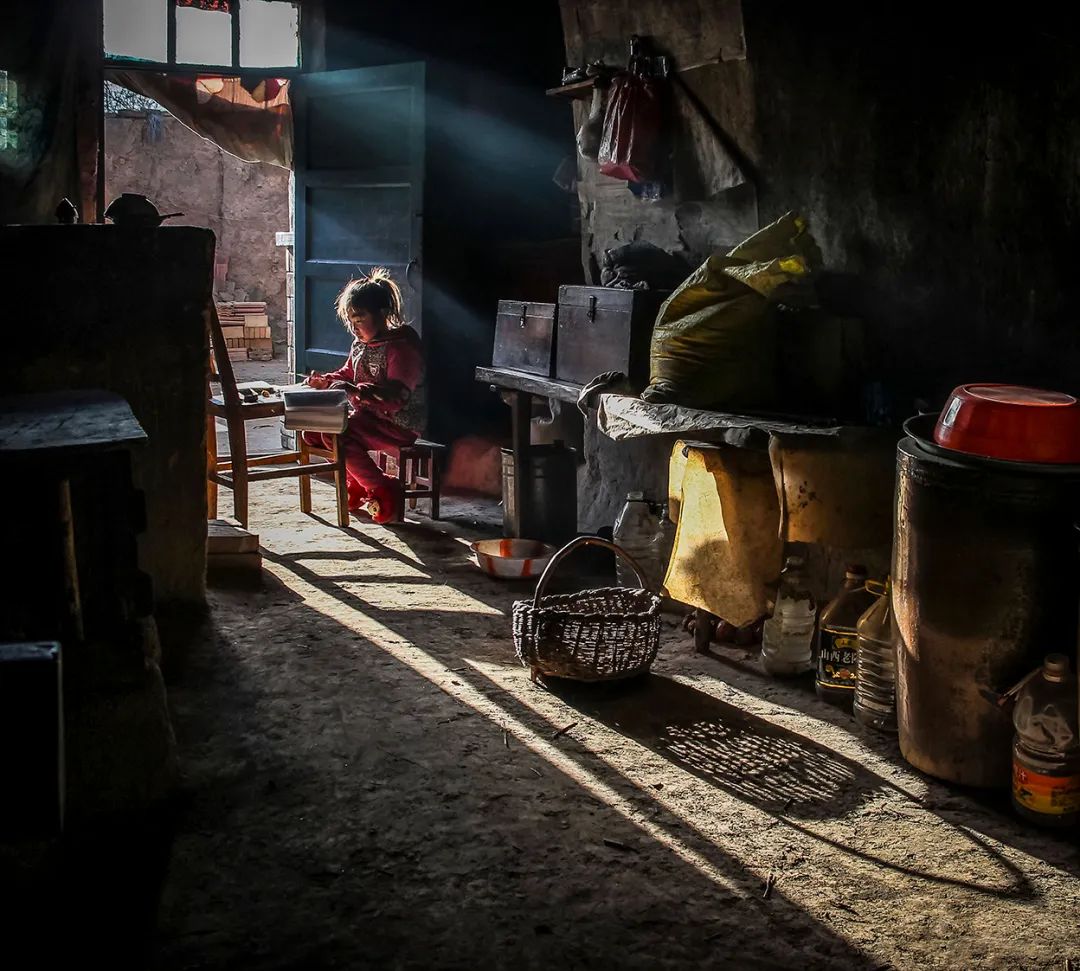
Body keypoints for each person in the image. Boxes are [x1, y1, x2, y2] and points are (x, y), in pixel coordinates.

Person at [303, 268, 424, 523]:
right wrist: (326, 380)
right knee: (311, 432)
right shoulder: (361, 345)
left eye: (359, 320)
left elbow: (398, 396)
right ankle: (358, 483)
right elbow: (348, 373)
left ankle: (381, 489)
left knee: (337, 434)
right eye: (350, 322)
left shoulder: (401, 347)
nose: (354, 328)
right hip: (371, 419)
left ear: (383, 314)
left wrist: (356, 392)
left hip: (399, 423)